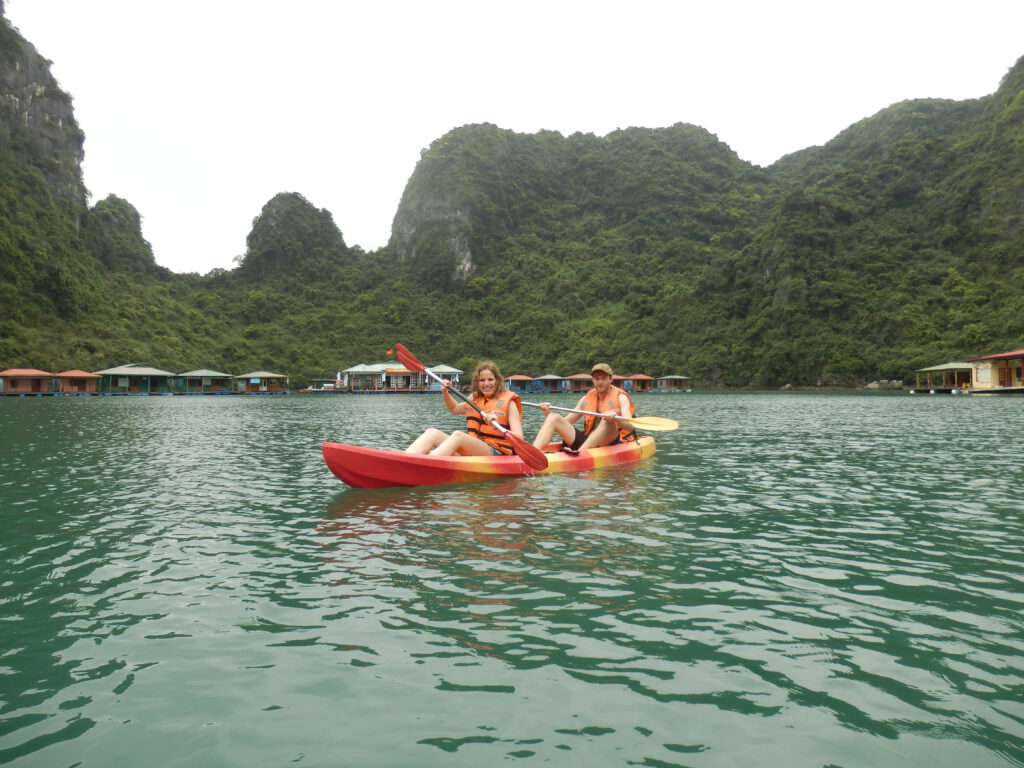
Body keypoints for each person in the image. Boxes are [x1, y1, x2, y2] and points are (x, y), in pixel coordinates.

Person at [406, 360, 524, 457]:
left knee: (459, 436)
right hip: (474, 453)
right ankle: (404, 459)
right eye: (482, 380)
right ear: (477, 383)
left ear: (497, 381)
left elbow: (519, 438)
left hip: (498, 452)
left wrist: (497, 427)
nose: (486, 383)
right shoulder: (475, 400)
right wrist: (445, 391)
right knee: (432, 433)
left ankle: (426, 465)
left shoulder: (509, 403)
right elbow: (454, 408)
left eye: (490, 379)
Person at [532, 363, 636, 453]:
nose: (600, 382)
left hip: (611, 441)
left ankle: (580, 453)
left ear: (610, 379)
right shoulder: (586, 399)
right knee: (553, 417)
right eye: (597, 378)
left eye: (603, 378)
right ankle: (532, 451)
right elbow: (565, 422)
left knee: (607, 420)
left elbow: (630, 426)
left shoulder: (621, 397)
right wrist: (547, 413)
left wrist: (615, 418)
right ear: (593, 380)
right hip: (588, 442)